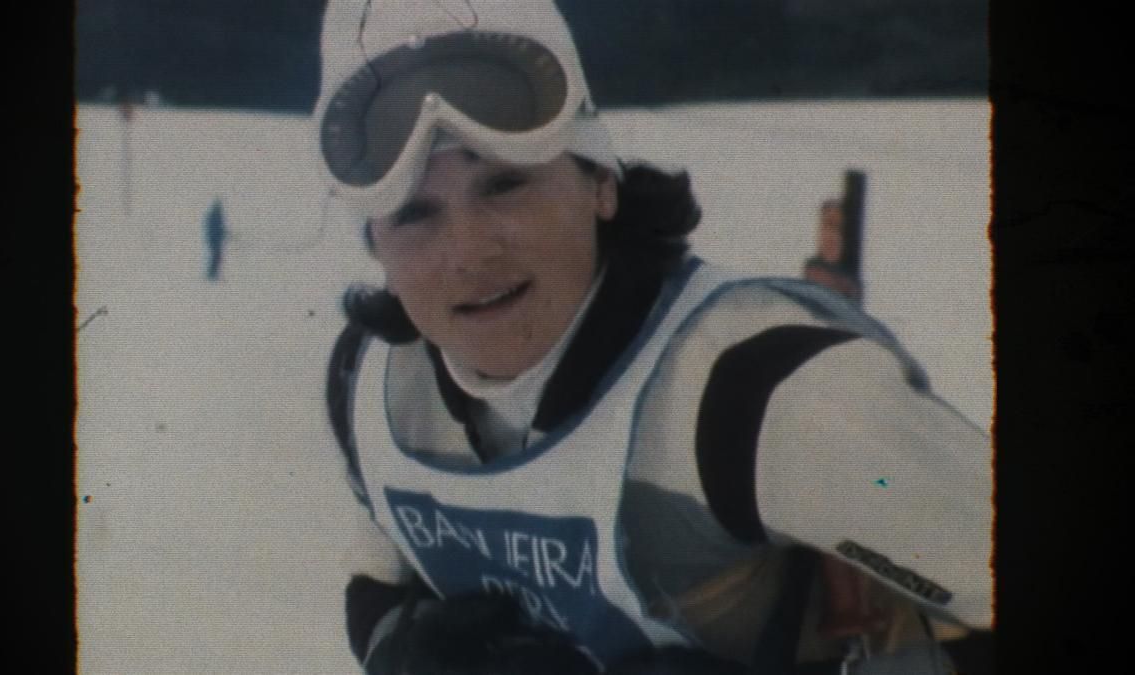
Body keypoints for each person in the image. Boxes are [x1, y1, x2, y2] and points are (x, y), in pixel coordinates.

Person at [314, 1, 993, 673]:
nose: (467, 252)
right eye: (415, 215)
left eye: (505, 185)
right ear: (375, 244)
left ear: (600, 182)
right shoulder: (379, 390)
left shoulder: (759, 398)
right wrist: (400, 645)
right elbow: (380, 567)